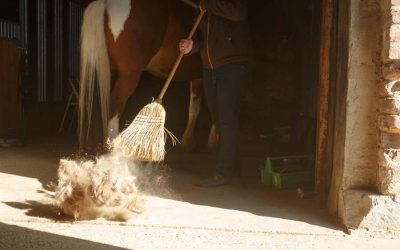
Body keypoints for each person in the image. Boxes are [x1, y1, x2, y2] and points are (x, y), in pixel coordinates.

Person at [179, 0, 252, 187]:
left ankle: (223, 172)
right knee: (218, 119)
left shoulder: (217, 5)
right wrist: (191, 46)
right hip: (210, 68)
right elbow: (201, 38)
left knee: (227, 119)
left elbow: (238, 12)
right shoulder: (206, 8)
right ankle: (233, 166)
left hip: (231, 66)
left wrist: (207, 5)